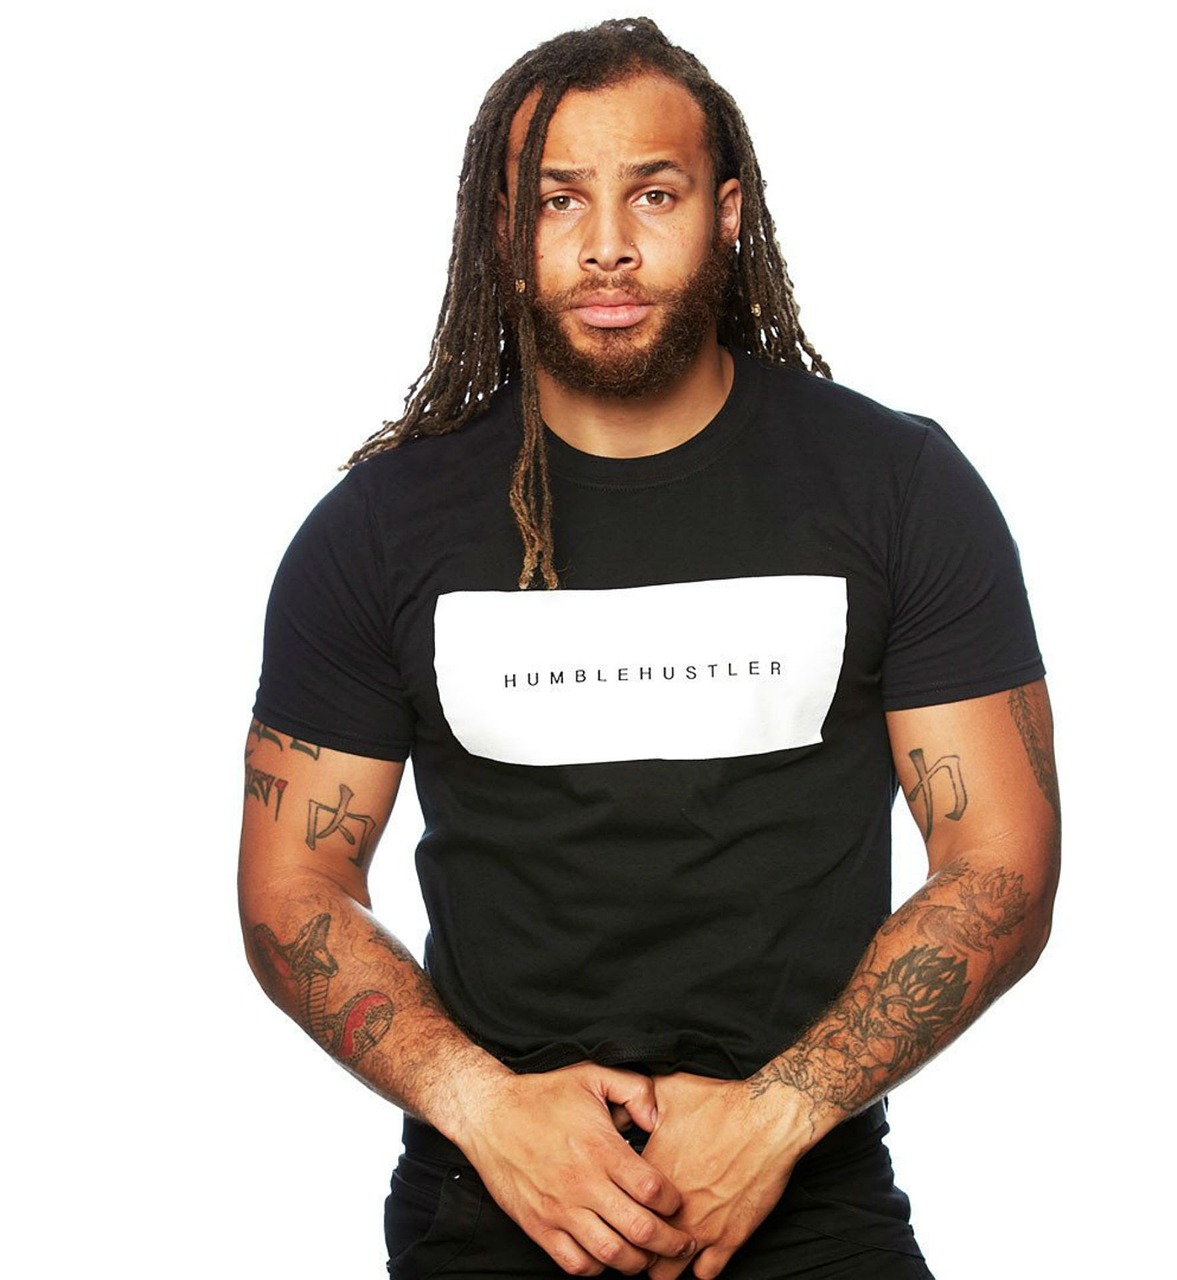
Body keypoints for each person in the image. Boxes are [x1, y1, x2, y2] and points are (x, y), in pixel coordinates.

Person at [240, 16, 1060, 1280]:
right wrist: (484, 1107)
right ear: (501, 230)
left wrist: (777, 1113)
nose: (607, 244)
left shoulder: (893, 488)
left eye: (654, 193)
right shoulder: (380, 528)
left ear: (726, 214)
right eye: (557, 199)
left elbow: (999, 861)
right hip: (492, 1195)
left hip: (806, 1190)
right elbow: (291, 885)